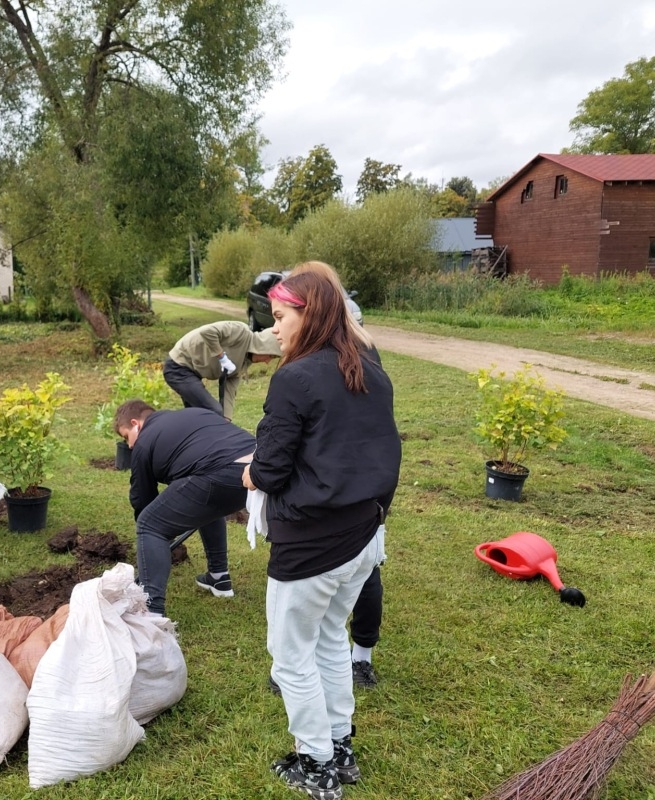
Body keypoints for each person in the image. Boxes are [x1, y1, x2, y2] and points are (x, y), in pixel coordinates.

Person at [243, 263, 401, 800]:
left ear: (308, 316)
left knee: (291, 656)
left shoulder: (295, 378)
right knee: (332, 638)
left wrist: (249, 474)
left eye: (280, 317)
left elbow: (269, 470)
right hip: (363, 536)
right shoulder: (369, 367)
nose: (274, 329)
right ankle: (340, 744)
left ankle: (316, 763)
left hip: (312, 543)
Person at [114, 399, 256, 617]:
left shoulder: (143, 442)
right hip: (256, 471)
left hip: (219, 473)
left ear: (136, 424)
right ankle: (219, 578)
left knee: (149, 524)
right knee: (205, 504)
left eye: (126, 437)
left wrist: (155, 538)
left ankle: (151, 612)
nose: (130, 446)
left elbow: (142, 499)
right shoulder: (194, 414)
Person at [163, 320, 283, 420]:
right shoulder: (240, 331)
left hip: (193, 374)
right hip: (177, 367)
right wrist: (222, 357)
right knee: (213, 411)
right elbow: (207, 332)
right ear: (264, 346)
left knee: (198, 418)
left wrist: (226, 419)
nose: (267, 362)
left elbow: (229, 388)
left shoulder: (244, 362)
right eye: (270, 356)